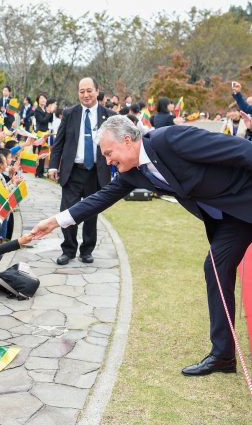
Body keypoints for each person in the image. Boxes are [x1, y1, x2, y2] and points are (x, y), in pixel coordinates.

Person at [33, 114, 252, 376]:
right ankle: (223, 356)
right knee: (215, 268)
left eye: (108, 153)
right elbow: (99, 199)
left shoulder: (171, 139)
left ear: (127, 140)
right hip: (230, 219)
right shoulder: (133, 174)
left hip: (246, 196)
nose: (108, 160)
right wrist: (56, 221)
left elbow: (240, 151)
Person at [48, 77, 115, 266]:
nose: (85, 95)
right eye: (81, 91)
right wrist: (53, 165)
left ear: (97, 91)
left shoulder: (108, 115)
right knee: (67, 212)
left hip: (96, 171)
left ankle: (87, 250)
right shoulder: (70, 113)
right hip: (72, 172)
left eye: (89, 90)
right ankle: (68, 250)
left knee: (91, 213)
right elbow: (59, 143)